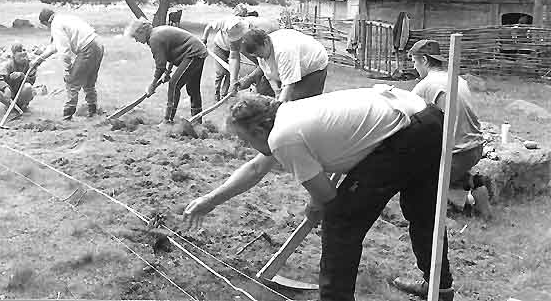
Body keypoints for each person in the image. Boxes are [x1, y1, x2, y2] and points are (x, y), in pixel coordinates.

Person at [184, 88, 454, 301]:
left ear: (257, 130)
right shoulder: (289, 113)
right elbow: (256, 168)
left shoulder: (283, 137)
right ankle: (439, 290)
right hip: (427, 117)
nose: (246, 147)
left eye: (245, 140)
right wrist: (210, 201)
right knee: (422, 211)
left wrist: (317, 205)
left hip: (407, 132)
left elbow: (326, 196)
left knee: (340, 220)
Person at [405, 39, 490, 214]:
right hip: (476, 148)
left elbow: (405, 115)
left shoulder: (426, 85)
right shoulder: (456, 78)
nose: (414, 67)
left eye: (414, 61)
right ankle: (476, 186)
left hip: (457, 153)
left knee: (419, 180)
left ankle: (463, 203)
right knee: (445, 169)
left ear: (425, 60)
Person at [124, 20, 207, 123]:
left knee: (174, 85)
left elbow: (160, 66)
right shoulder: (156, 33)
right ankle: (197, 121)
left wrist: (152, 85)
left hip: (193, 53)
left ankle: (167, 120)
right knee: (193, 88)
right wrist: (167, 73)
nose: (137, 41)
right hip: (198, 51)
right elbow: (172, 51)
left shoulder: (154, 39)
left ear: (142, 32)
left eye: (136, 37)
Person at [32, 8, 104, 120]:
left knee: (72, 82)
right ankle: (93, 111)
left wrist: (67, 70)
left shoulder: (56, 25)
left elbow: (64, 50)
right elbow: (55, 45)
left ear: (46, 22)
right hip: (98, 44)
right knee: (89, 81)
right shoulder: (65, 18)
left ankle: (68, 115)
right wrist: (39, 59)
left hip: (87, 47)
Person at [237, 28, 328, 102]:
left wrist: (278, 106)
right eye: (256, 56)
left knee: (299, 102)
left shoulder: (284, 50)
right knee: (265, 92)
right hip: (293, 60)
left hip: (314, 64)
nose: (260, 58)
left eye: (259, 54)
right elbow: (269, 76)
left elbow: (289, 84)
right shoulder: (260, 51)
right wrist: (277, 92)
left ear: (265, 43)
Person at [201, 15, 279, 101]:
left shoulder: (263, 28)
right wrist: (233, 80)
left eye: (240, 40)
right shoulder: (231, 30)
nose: (238, 43)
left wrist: (250, 78)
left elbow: (267, 61)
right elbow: (234, 56)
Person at [0, 43, 36, 110]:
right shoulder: (8, 65)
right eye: (19, 51)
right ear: (14, 55)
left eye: (24, 50)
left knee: (28, 87)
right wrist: (5, 88)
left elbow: (31, 80)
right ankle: (9, 106)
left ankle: (22, 106)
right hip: (9, 95)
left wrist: (22, 76)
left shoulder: (31, 65)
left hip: (22, 94)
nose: (23, 53)